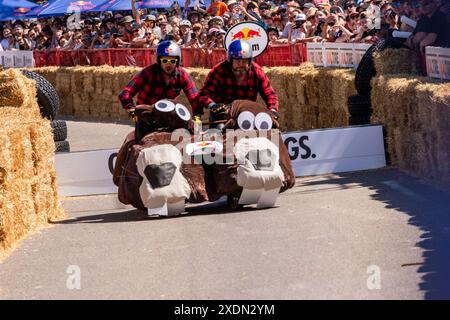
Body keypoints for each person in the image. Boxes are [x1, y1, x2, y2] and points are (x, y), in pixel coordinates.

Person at [119, 40, 199, 138]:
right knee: (142, 144)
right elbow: (125, 93)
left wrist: (197, 116)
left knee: (189, 137)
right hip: (147, 117)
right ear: (159, 60)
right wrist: (131, 109)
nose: (168, 64)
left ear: (177, 61)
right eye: (165, 60)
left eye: (172, 61)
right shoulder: (148, 72)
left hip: (170, 116)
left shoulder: (183, 75)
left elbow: (195, 99)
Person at [196, 39, 279, 123]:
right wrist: (213, 105)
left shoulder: (256, 71)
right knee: (219, 130)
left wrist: (273, 110)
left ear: (250, 61)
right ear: (230, 60)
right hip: (223, 114)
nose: (241, 64)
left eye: (244, 61)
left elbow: (270, 94)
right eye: (237, 61)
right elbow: (203, 94)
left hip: (247, 114)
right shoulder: (218, 70)